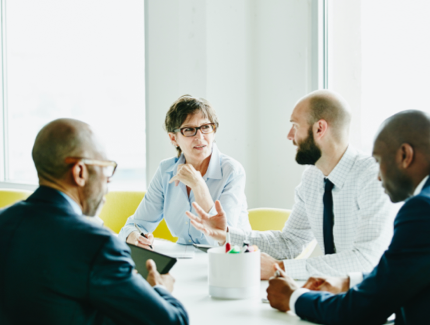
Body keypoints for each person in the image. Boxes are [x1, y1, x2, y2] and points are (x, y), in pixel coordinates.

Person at [186, 90, 395, 279]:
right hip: (336, 296)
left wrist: (281, 269)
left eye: (295, 126)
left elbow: (368, 259)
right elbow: (289, 243)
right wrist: (227, 234)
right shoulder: (312, 178)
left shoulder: (373, 177)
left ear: (319, 128)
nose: (289, 135)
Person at [0, 119, 188, 325]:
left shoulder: (3, 220)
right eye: (106, 167)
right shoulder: (96, 244)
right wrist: (159, 289)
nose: (108, 179)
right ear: (80, 172)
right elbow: (174, 321)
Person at [266, 110, 430, 325]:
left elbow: (361, 310)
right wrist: (347, 281)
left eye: (379, 161)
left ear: (404, 155)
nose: (378, 175)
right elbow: (405, 273)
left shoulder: (421, 210)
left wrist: (293, 298)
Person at [119, 94, 251, 247]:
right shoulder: (166, 170)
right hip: (185, 259)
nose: (200, 137)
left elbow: (224, 239)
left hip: (231, 260)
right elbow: (135, 225)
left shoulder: (232, 171)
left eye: (206, 127)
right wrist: (135, 236)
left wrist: (198, 186)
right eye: (189, 130)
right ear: (173, 138)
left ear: (213, 131)